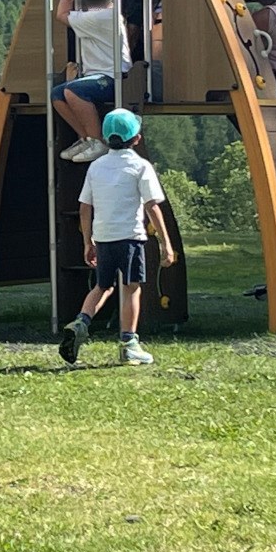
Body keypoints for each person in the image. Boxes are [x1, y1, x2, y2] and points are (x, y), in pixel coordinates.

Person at [59, 109, 178, 367]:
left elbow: (84, 207)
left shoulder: (96, 166)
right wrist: (166, 244)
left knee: (103, 286)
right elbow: (152, 206)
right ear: (137, 138)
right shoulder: (141, 166)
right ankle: (129, 344)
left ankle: (81, 321)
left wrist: (87, 241)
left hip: (103, 238)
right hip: (130, 238)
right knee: (132, 288)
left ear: (104, 138)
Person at [51, 0, 131, 164]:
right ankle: (86, 138)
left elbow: (61, 14)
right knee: (57, 94)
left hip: (114, 78)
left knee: (73, 91)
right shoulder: (103, 14)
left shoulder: (101, 17)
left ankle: (97, 141)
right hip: (99, 76)